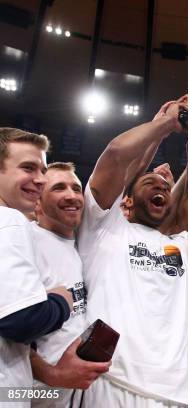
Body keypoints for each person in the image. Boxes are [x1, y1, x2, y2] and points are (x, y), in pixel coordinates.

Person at [77, 98, 188, 407]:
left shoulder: (180, 247)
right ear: (125, 201)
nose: (163, 188)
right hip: (113, 383)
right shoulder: (102, 228)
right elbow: (116, 155)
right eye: (151, 182)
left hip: (177, 395)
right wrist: (163, 127)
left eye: (166, 187)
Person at [0, 128, 73, 406]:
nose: (40, 179)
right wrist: (60, 301)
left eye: (42, 169)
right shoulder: (8, 219)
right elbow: (22, 319)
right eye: (28, 168)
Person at [28, 162, 110, 407]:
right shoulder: (25, 242)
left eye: (76, 188)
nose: (72, 196)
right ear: (37, 203)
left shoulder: (79, 245)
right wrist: (53, 376)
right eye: (58, 188)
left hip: (68, 397)